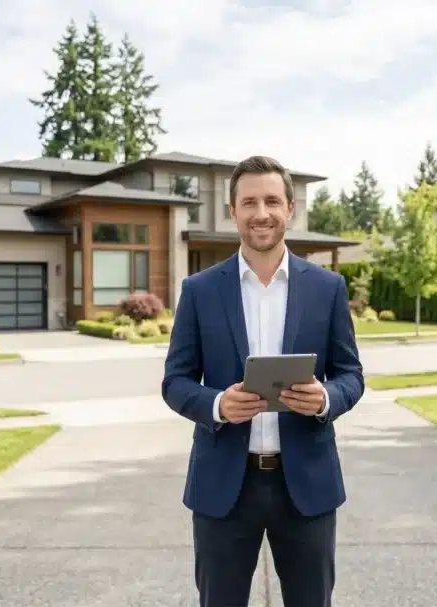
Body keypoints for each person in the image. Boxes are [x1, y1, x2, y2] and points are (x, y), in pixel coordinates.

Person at [161, 155, 364, 607]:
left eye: (272, 200)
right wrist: (217, 405)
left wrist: (326, 398)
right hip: (224, 489)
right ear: (232, 211)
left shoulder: (327, 288)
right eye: (249, 202)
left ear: (291, 208)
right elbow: (175, 381)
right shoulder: (200, 290)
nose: (261, 213)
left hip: (306, 487)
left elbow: (351, 375)